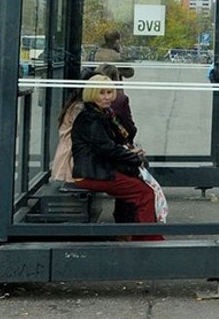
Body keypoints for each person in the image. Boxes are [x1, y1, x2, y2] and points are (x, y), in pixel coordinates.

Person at [70, 74, 165, 239]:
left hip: (97, 169)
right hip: (94, 173)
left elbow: (120, 139)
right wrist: (134, 158)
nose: (107, 97)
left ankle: (132, 234)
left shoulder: (101, 114)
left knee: (138, 188)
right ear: (92, 94)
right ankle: (147, 239)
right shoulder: (91, 119)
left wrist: (130, 152)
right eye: (102, 93)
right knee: (144, 193)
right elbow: (107, 148)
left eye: (110, 92)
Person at [96, 63, 139, 223]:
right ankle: (125, 221)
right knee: (133, 170)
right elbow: (129, 129)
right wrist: (130, 150)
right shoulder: (119, 99)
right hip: (100, 159)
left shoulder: (82, 99)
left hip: (86, 157)